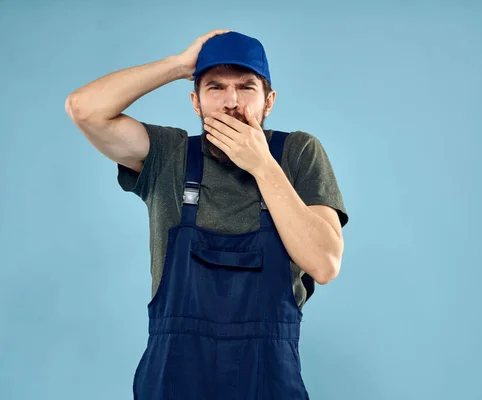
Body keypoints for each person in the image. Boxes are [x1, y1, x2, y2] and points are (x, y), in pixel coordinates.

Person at [65, 29, 349, 399]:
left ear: (269, 101)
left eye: (247, 87)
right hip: (174, 381)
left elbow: (324, 264)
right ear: (196, 102)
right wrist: (179, 64)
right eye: (215, 88)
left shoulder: (297, 153)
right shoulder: (170, 155)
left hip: (267, 380)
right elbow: (84, 109)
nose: (231, 101)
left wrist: (263, 165)